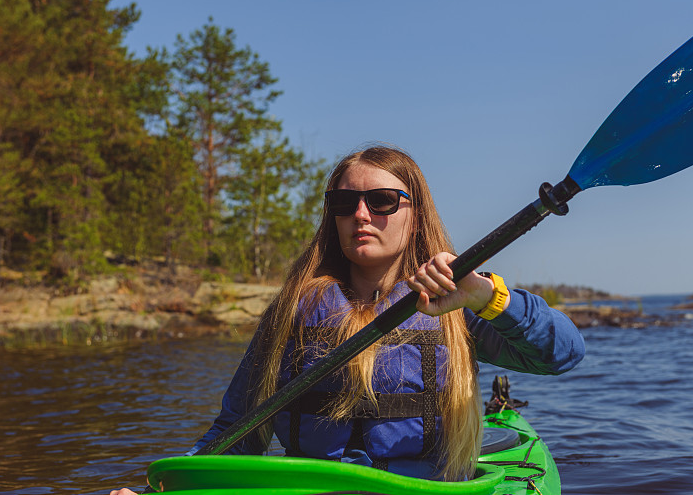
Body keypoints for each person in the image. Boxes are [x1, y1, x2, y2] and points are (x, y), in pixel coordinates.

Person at [111, 145, 584, 494]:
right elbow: (236, 430)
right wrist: (163, 489)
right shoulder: (293, 313)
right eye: (343, 204)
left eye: (381, 202)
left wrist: (484, 294)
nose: (360, 214)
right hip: (317, 487)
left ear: (415, 215)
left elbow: (561, 355)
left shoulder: (455, 303)